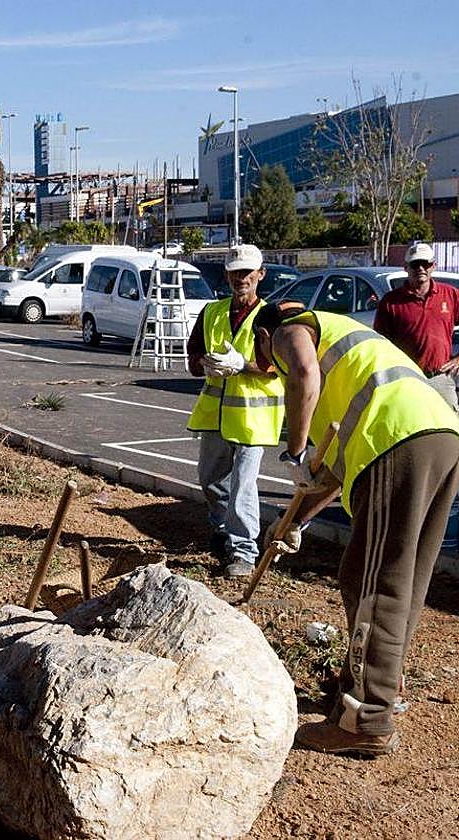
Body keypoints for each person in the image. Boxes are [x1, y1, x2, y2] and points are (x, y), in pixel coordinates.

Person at [252, 301, 459, 757]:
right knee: (402, 578)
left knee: (372, 579)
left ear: (265, 338)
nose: (275, 371)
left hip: (395, 436)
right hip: (441, 434)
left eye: (268, 362)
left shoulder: (290, 327)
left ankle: (367, 717)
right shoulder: (349, 351)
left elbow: (302, 371)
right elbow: (330, 474)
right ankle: (377, 677)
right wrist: (295, 521)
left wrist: (294, 451)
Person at [186, 243, 285, 578]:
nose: (240, 278)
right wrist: (204, 363)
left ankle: (243, 551)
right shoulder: (212, 313)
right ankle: (222, 531)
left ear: (260, 275)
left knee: (243, 486)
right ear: (227, 275)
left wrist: (244, 365)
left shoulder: (272, 316)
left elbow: (280, 365)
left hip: (253, 419)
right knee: (211, 481)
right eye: (234, 272)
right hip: (216, 414)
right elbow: (193, 355)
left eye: (247, 272)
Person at [372, 242, 459, 410]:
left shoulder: (450, 295)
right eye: (415, 264)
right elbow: (380, 345)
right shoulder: (391, 302)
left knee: (450, 425)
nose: (421, 268)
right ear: (406, 267)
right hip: (406, 380)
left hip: (441, 378)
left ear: (434, 266)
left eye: (425, 264)